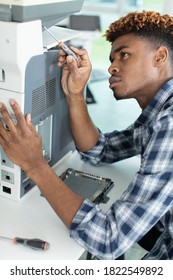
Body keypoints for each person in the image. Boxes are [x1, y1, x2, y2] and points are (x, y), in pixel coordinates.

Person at [0, 10, 173, 260]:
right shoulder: (157, 116)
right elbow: (99, 149)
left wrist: (34, 165)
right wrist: (74, 94)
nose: (112, 66)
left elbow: (108, 240)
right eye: (113, 58)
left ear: (160, 56)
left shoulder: (169, 126)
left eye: (124, 55)